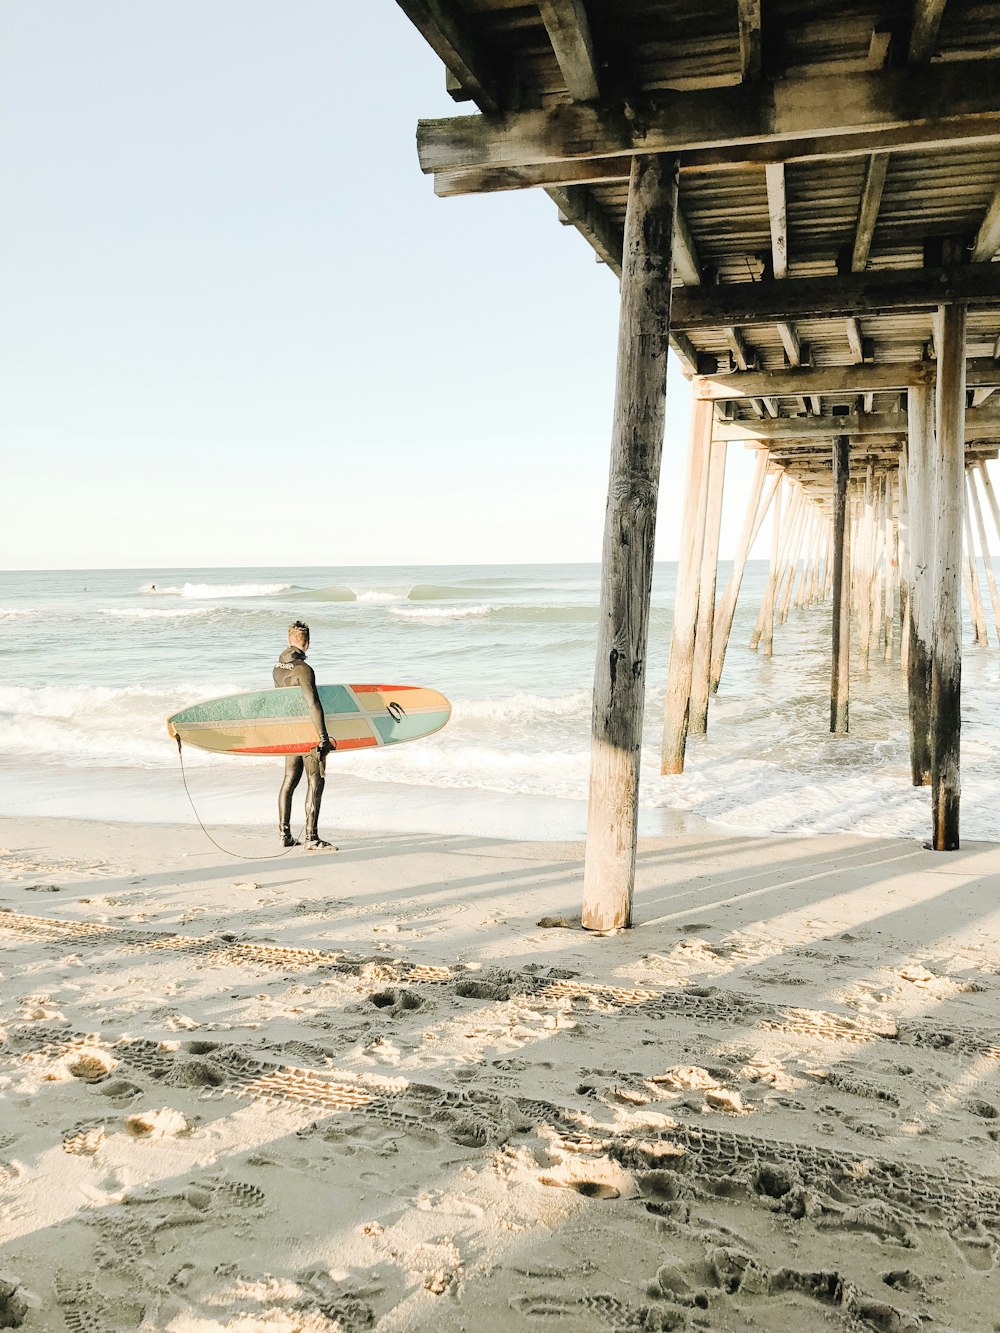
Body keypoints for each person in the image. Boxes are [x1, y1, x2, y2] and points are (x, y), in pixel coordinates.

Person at [273, 620, 334, 849]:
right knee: (315, 781)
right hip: (308, 733)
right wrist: (323, 738)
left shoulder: (277, 669)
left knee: (289, 781)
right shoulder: (304, 670)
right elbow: (313, 705)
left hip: (290, 732)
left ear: (289, 640)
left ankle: (284, 835)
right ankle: (311, 837)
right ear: (307, 643)